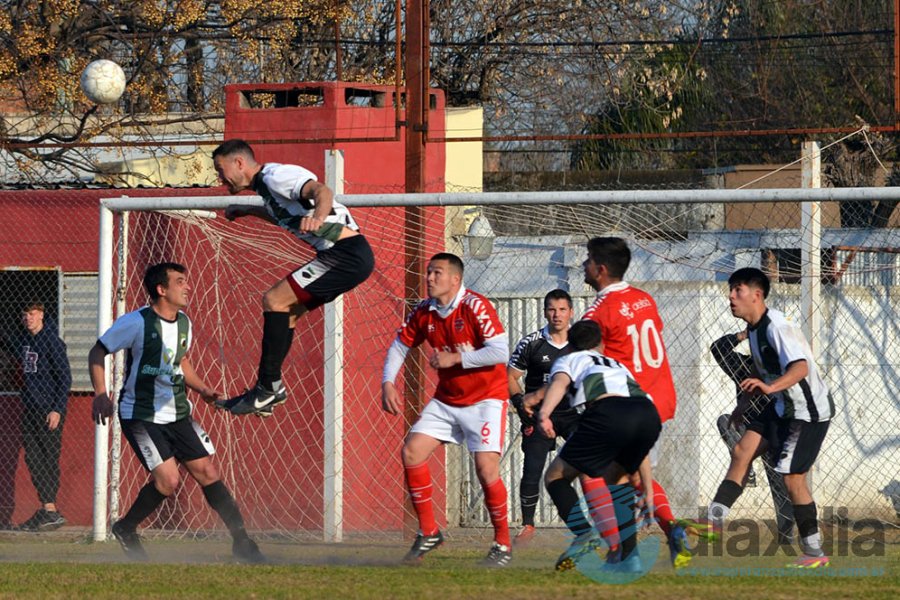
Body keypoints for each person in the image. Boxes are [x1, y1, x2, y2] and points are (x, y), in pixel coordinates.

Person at [88, 262, 264, 563]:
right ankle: (126, 528)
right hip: (141, 414)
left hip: (178, 412)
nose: (188, 287)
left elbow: (181, 362)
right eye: (180, 282)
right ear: (161, 289)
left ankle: (242, 543)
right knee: (168, 481)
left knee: (208, 472)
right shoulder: (135, 323)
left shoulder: (184, 322)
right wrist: (101, 394)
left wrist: (204, 389)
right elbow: (98, 351)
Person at [211, 139, 375, 417]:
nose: (219, 178)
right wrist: (248, 210)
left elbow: (321, 190)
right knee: (286, 313)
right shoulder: (266, 188)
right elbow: (284, 215)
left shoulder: (276, 176)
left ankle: (267, 389)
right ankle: (271, 387)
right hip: (341, 256)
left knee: (274, 299)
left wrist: (319, 217)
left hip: (345, 253)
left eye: (220, 169)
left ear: (239, 163)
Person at [381, 253, 512, 567]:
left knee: (486, 470)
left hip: (485, 400)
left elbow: (500, 351)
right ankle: (428, 531)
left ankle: (503, 545)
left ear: (455, 279)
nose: (429, 278)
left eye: (436, 273)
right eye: (428, 273)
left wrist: (457, 359)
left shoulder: (475, 306)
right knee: (412, 452)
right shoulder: (424, 311)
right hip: (447, 399)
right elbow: (400, 345)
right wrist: (387, 381)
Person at [577, 236, 701, 567]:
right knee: (630, 474)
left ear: (601, 270)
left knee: (596, 474)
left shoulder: (599, 310)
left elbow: (581, 356)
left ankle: (622, 553)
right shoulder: (644, 299)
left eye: (587, 260)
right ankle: (672, 528)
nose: (583, 266)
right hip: (659, 400)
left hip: (630, 406)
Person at [705, 267, 834, 568]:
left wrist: (769, 387)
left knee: (793, 479)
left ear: (757, 294)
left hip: (806, 411)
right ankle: (711, 525)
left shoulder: (777, 325)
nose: (731, 297)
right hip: (780, 406)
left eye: (738, 290)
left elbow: (800, 367)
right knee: (741, 452)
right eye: (731, 290)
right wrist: (743, 405)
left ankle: (815, 554)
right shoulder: (753, 329)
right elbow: (758, 371)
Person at [538, 320, 660, 573]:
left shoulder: (570, 359)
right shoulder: (617, 365)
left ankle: (584, 534)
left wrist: (544, 414)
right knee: (619, 479)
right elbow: (639, 445)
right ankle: (630, 559)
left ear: (570, 346)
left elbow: (559, 383)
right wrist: (648, 489)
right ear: (601, 345)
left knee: (556, 477)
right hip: (648, 414)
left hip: (607, 413)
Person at [710, 330, 795, 545]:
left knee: (780, 485)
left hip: (773, 432)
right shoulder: (744, 367)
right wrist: (743, 335)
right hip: (748, 429)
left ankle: (786, 536)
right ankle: (746, 470)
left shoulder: (785, 372)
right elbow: (718, 349)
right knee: (724, 420)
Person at [507, 289, 576, 547]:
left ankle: (593, 522)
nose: (556, 315)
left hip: (571, 414)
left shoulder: (579, 343)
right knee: (532, 468)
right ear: (544, 311)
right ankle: (527, 525)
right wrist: (518, 402)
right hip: (537, 415)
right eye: (551, 309)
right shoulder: (531, 342)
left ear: (571, 312)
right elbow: (510, 376)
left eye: (561, 309)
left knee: (592, 464)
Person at [13, 302, 71, 531]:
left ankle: (50, 509)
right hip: (30, 409)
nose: (29, 318)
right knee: (33, 458)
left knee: (48, 458)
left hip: (49, 411)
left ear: (42, 315)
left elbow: (64, 377)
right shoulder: (26, 341)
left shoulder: (52, 342)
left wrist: (56, 408)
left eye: (33, 314)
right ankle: (48, 510)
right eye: (25, 314)